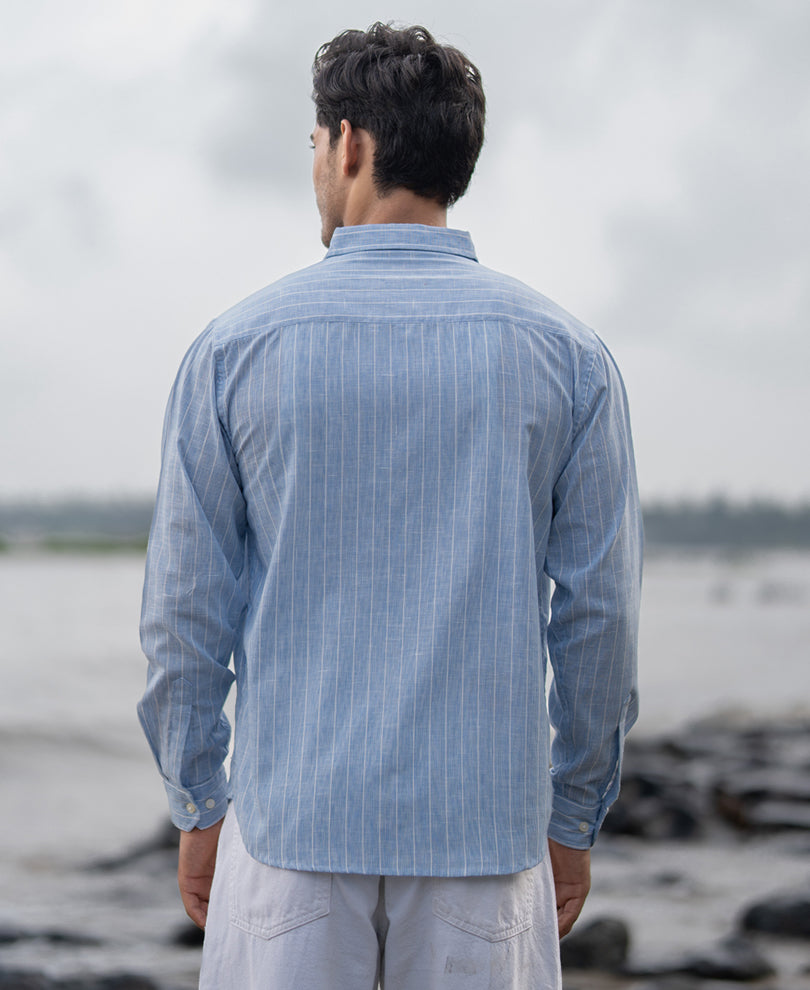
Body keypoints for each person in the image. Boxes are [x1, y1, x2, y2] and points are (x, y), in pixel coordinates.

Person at [138, 22, 642, 990]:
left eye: (316, 148)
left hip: (290, 834)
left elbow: (183, 618)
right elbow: (600, 621)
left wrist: (198, 803)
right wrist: (574, 817)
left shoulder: (233, 351)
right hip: (485, 845)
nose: (317, 170)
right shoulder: (569, 361)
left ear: (351, 144)